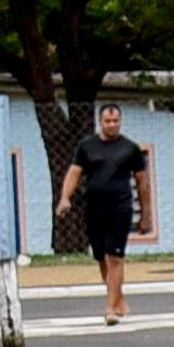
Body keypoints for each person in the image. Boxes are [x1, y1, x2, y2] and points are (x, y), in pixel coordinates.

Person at [58, 104, 153, 322]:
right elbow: (74, 173)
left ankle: (110, 309)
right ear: (100, 122)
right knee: (101, 257)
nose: (112, 125)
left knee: (115, 257)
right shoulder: (86, 146)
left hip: (120, 208)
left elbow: (142, 183)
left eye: (116, 121)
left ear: (120, 121)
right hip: (94, 208)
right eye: (108, 121)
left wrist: (145, 216)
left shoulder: (130, 148)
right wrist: (65, 198)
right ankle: (118, 298)